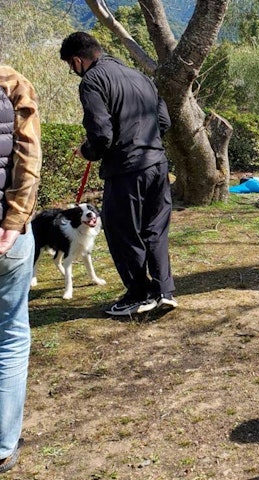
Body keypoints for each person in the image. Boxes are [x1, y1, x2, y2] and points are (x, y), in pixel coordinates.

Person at [60, 32, 178, 316]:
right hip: (157, 163)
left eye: (70, 66)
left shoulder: (92, 81)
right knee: (154, 230)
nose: (73, 71)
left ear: (77, 60)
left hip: (126, 169)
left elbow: (101, 135)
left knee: (122, 231)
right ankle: (164, 290)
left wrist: (86, 151)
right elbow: (164, 121)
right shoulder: (140, 77)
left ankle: (138, 294)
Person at [0, 65, 41, 473]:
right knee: (10, 334)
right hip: (7, 241)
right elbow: (27, 158)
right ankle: (3, 444)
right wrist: (14, 221)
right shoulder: (10, 82)